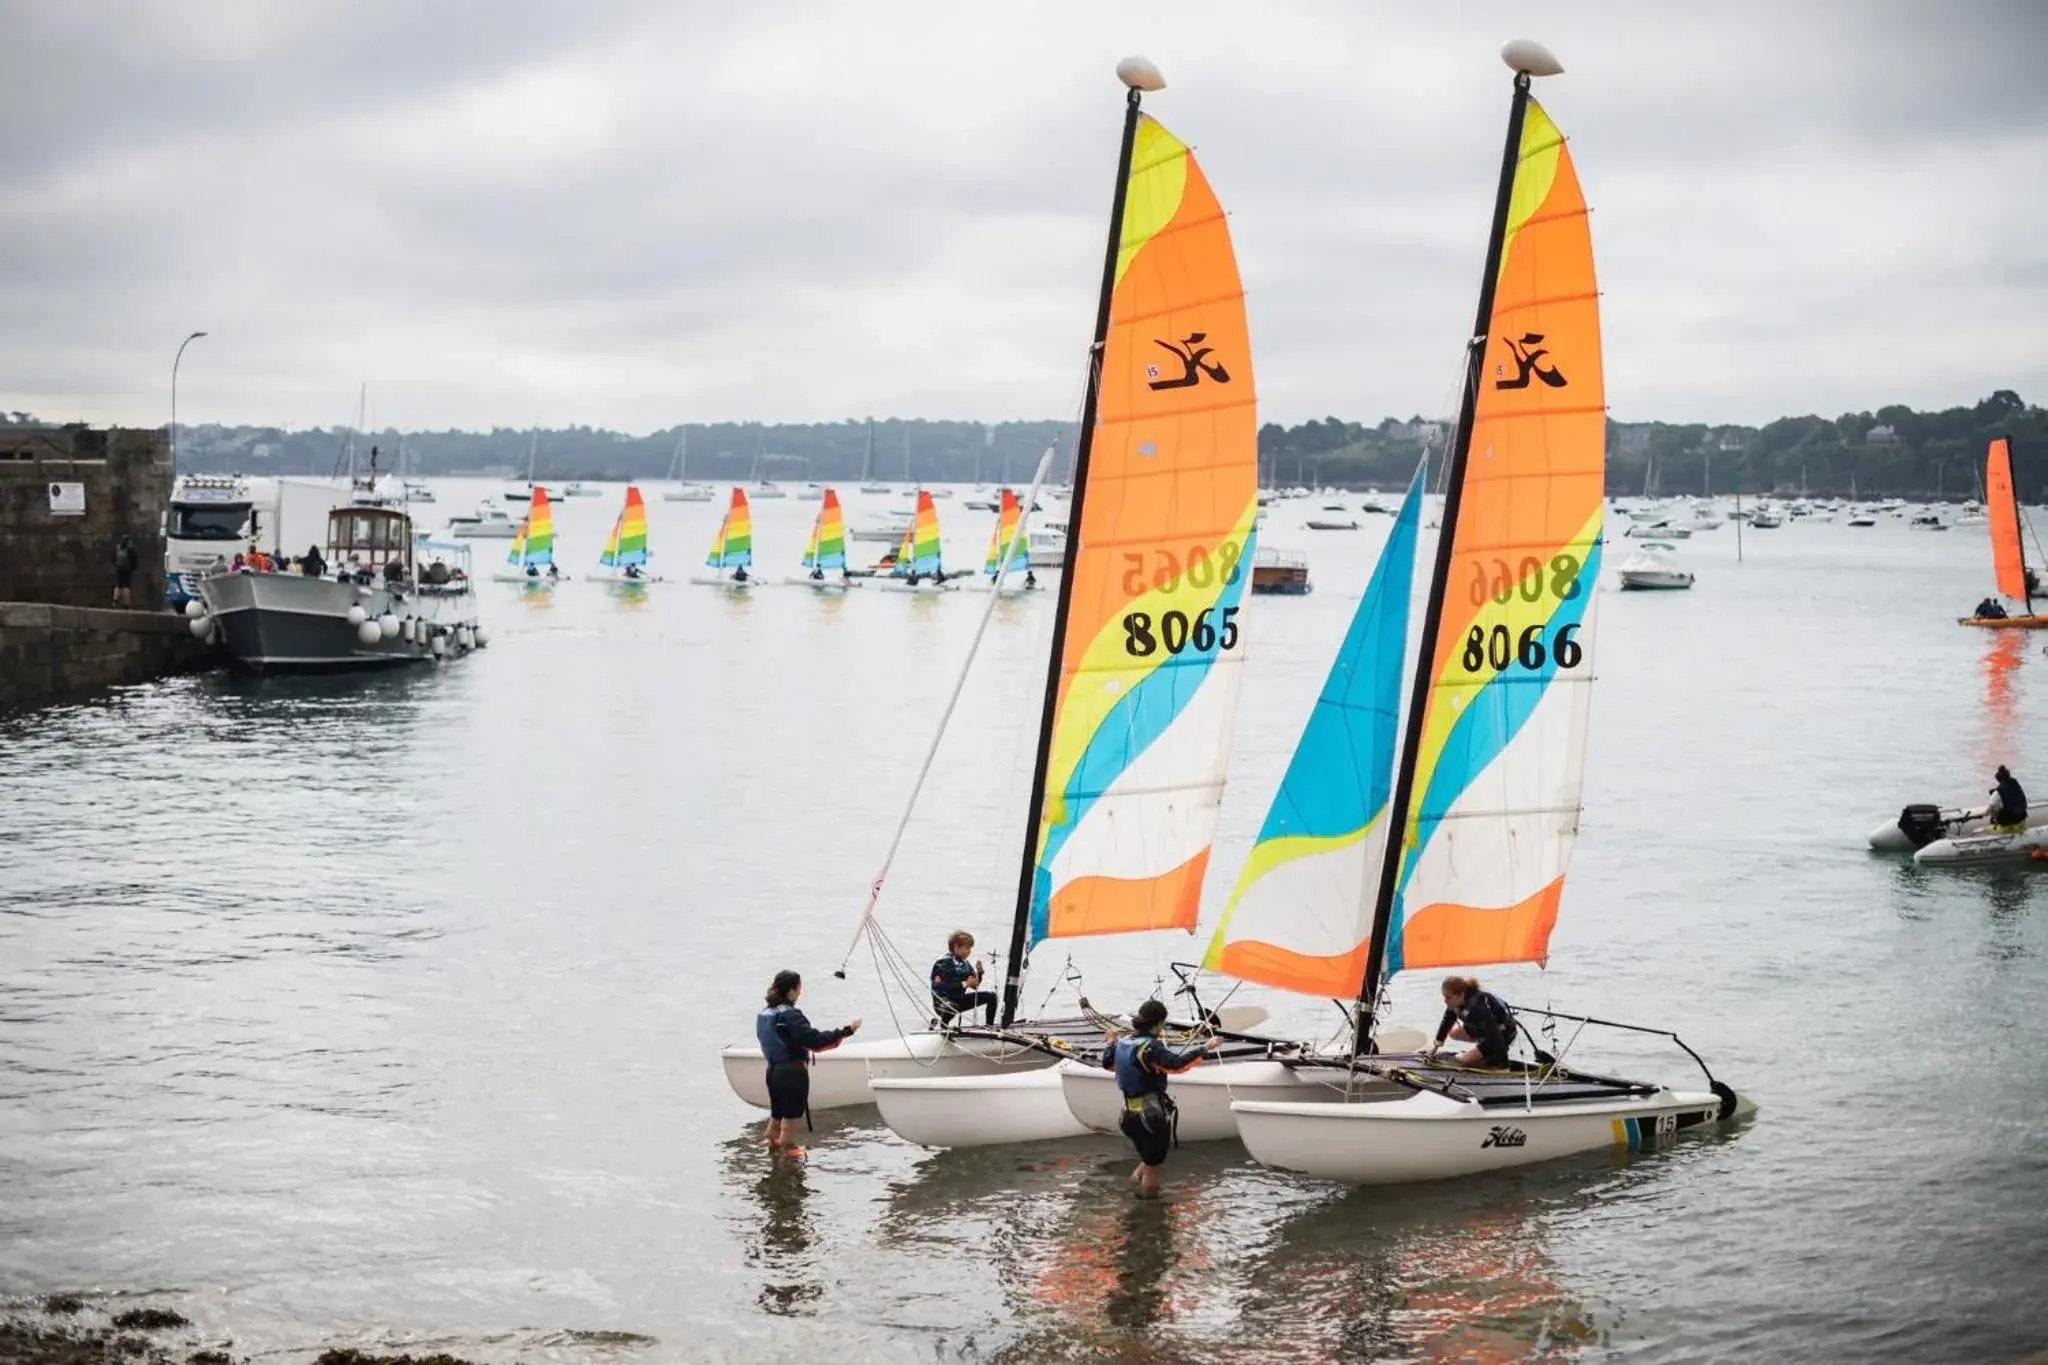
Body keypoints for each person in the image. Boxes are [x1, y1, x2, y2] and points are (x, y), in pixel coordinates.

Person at [1099, 999, 1217, 1198]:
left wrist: (1111, 1041)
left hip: (1128, 1117)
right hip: (1151, 1117)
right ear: (1158, 1023)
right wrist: (1205, 1048)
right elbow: (1176, 1065)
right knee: (1153, 1167)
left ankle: (1131, 1197)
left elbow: (1107, 1063)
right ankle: (1149, 1210)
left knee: (1148, 1161)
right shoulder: (1151, 1047)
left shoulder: (1123, 1043)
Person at [756, 970, 860, 1159]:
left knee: (777, 1113)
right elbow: (816, 1041)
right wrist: (847, 1031)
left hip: (772, 1072)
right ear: (792, 991)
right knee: (792, 1114)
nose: (800, 993)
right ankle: (789, 1149)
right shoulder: (791, 1015)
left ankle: (772, 1142)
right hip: (792, 1073)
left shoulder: (764, 1014)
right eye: (799, 989)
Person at [1430, 975, 1519, 1068]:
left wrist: (1505, 1066)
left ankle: (1484, 1053)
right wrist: (1436, 1047)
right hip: (1482, 1030)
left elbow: (1495, 1036)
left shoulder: (1478, 1008)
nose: (1445, 1000)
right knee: (1453, 1033)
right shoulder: (1455, 1002)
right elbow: (1447, 1021)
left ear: (1461, 995)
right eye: (1444, 996)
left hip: (1502, 1034)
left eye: (1448, 997)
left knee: (1464, 1060)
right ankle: (1481, 1051)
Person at [929, 931, 997, 1027]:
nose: (970, 951)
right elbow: (945, 986)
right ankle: (943, 1026)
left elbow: (975, 985)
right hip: (942, 1003)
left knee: (991, 997)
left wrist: (979, 973)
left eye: (970, 948)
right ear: (956, 947)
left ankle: (989, 1026)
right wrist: (965, 984)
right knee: (951, 1006)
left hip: (958, 999)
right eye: (967, 948)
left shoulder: (965, 964)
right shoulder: (943, 963)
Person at [1989, 765, 2029, 830]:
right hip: (2021, 817)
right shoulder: (2016, 785)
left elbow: (1992, 806)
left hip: (2008, 821)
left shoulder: (1997, 792)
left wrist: (1994, 820)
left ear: (1998, 780)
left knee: (1994, 813)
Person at [111, 535, 138, 607]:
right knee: (126, 585)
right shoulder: (131, 550)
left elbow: (113, 559)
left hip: (119, 569)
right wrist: (133, 568)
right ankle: (126, 603)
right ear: (129, 541)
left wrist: (116, 566)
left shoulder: (118, 548)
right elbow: (134, 561)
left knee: (118, 584)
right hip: (127, 570)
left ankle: (115, 600)